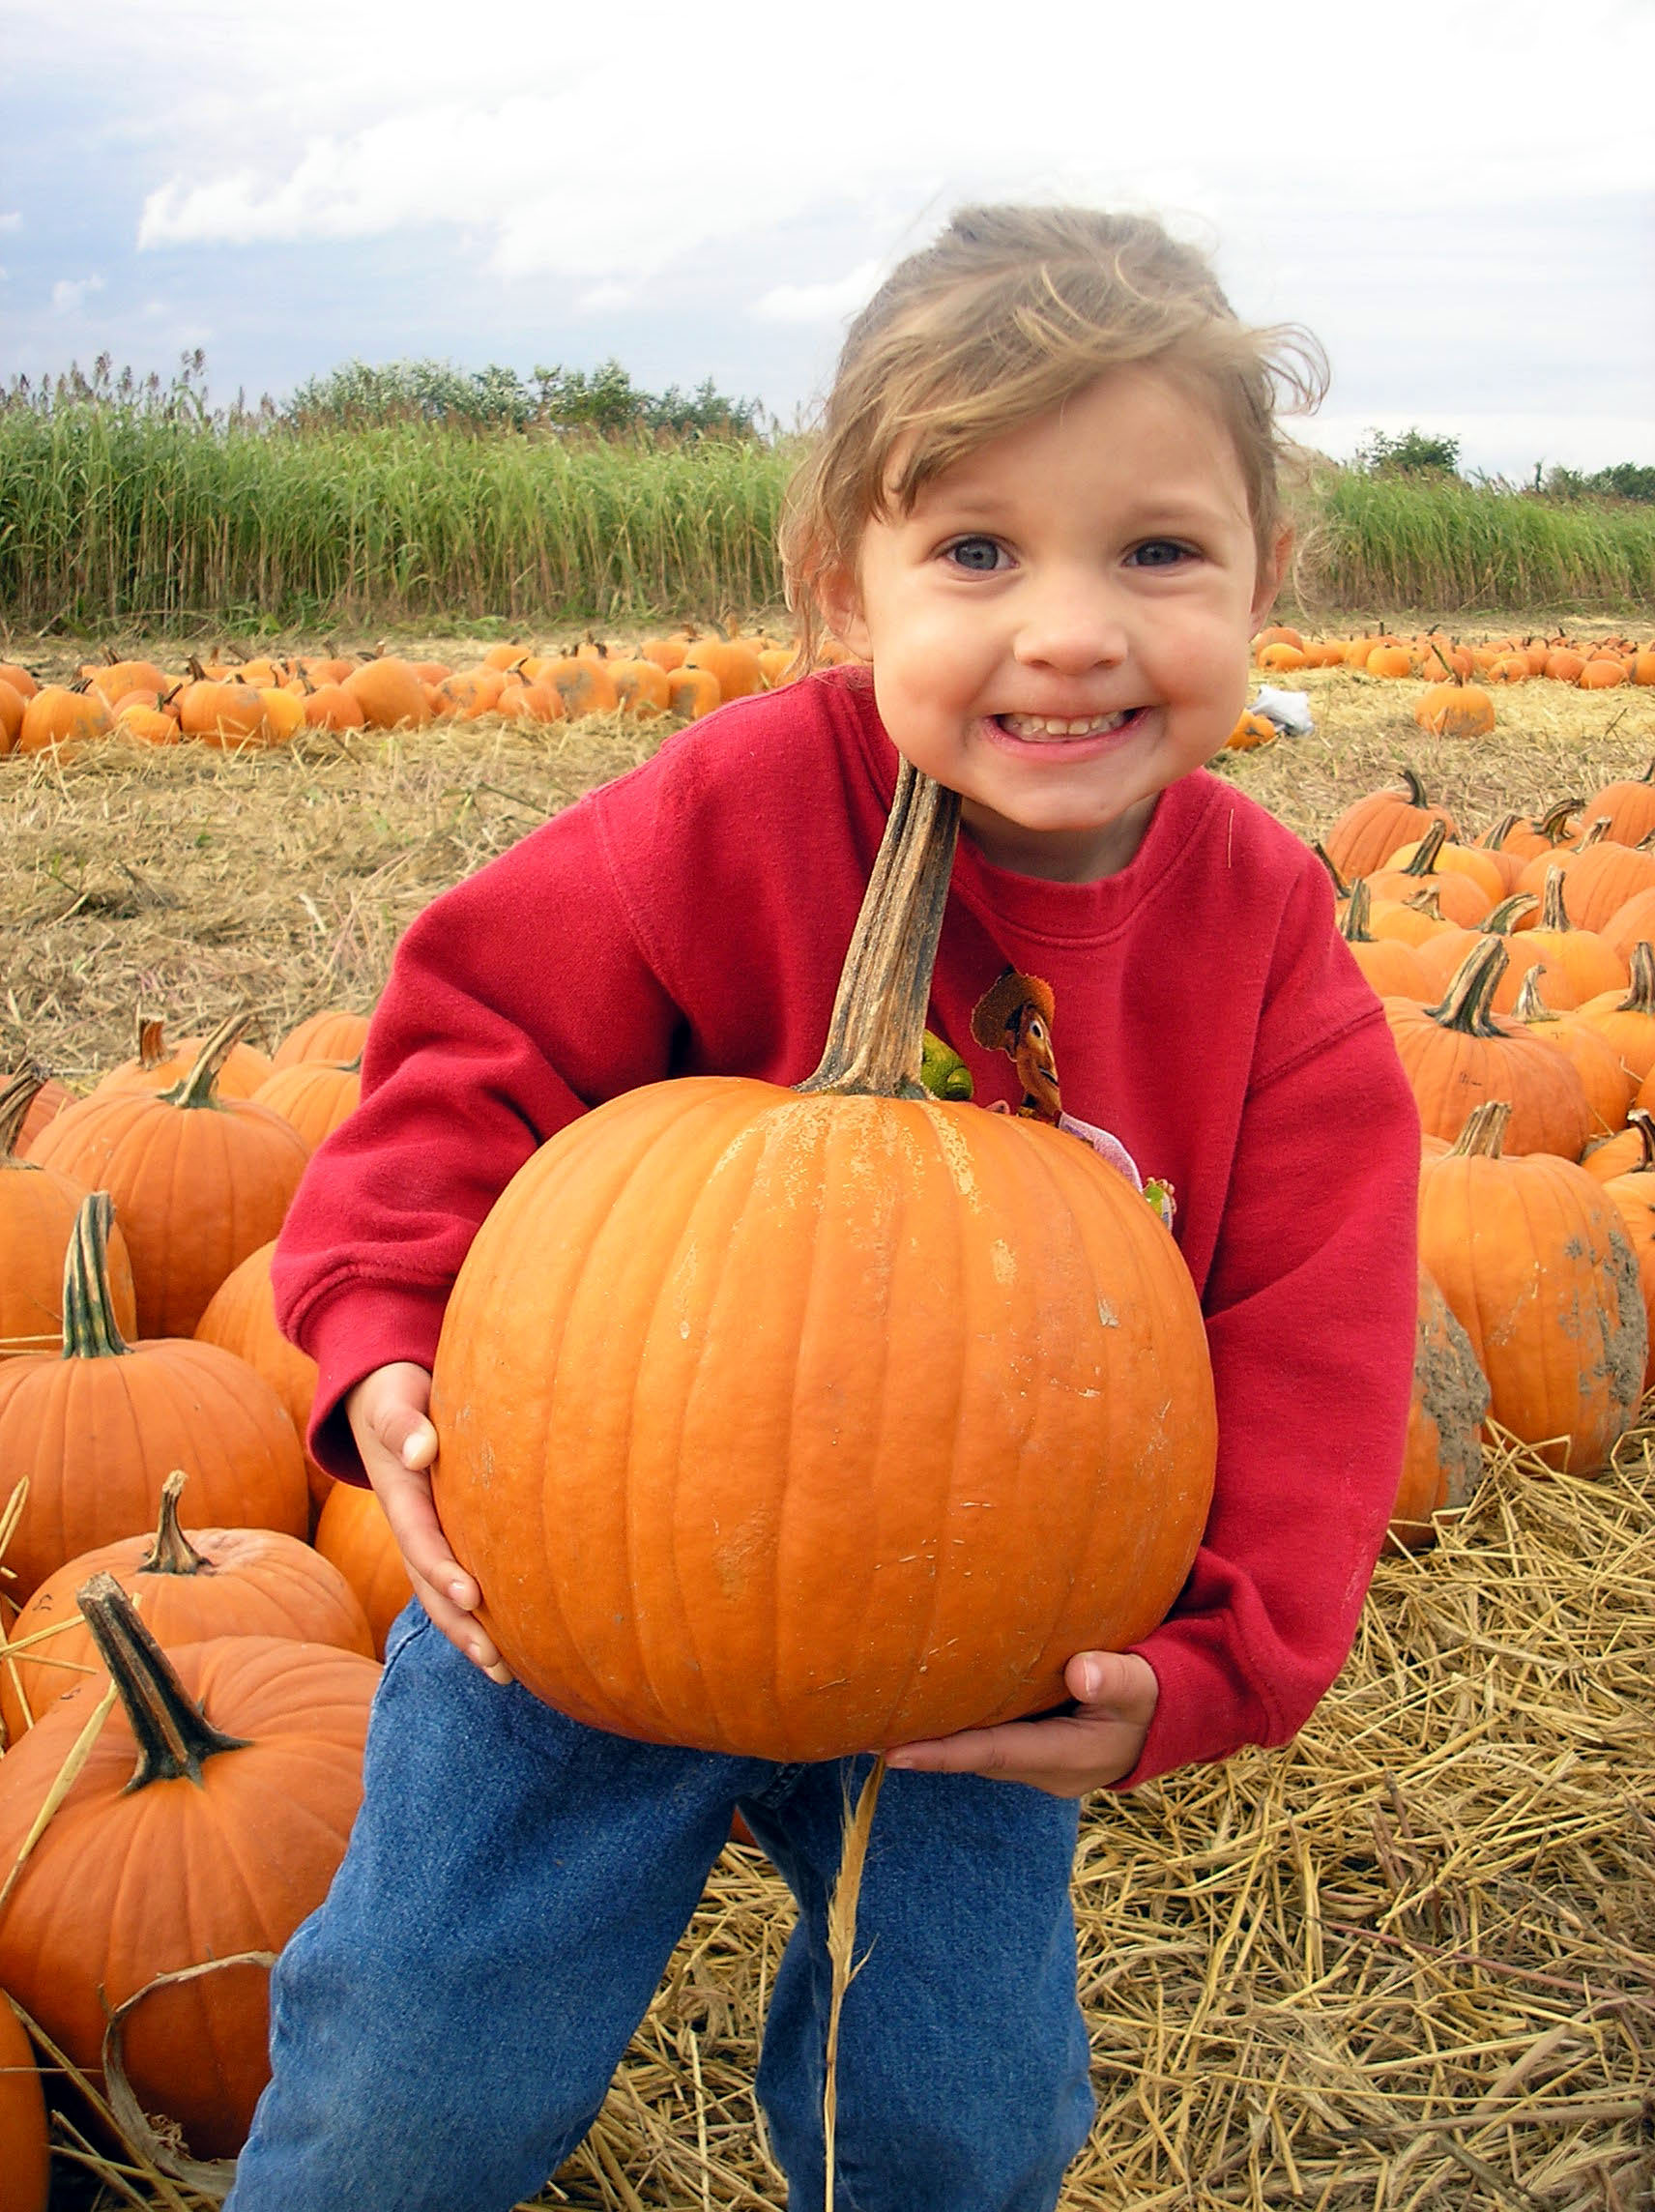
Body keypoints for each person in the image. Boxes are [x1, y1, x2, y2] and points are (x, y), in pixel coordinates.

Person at [231, 205, 1420, 2212]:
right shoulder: (742, 805)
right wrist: (382, 1345)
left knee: (959, 2120)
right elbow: (470, 1052)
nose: (1065, 626)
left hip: (979, 1646)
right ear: (837, 583)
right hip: (584, 1590)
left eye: (1153, 550)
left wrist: (1229, 1652)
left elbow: (1315, 1317)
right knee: (417, 2079)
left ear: (1264, 579)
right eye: (974, 550)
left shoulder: (1262, 929)